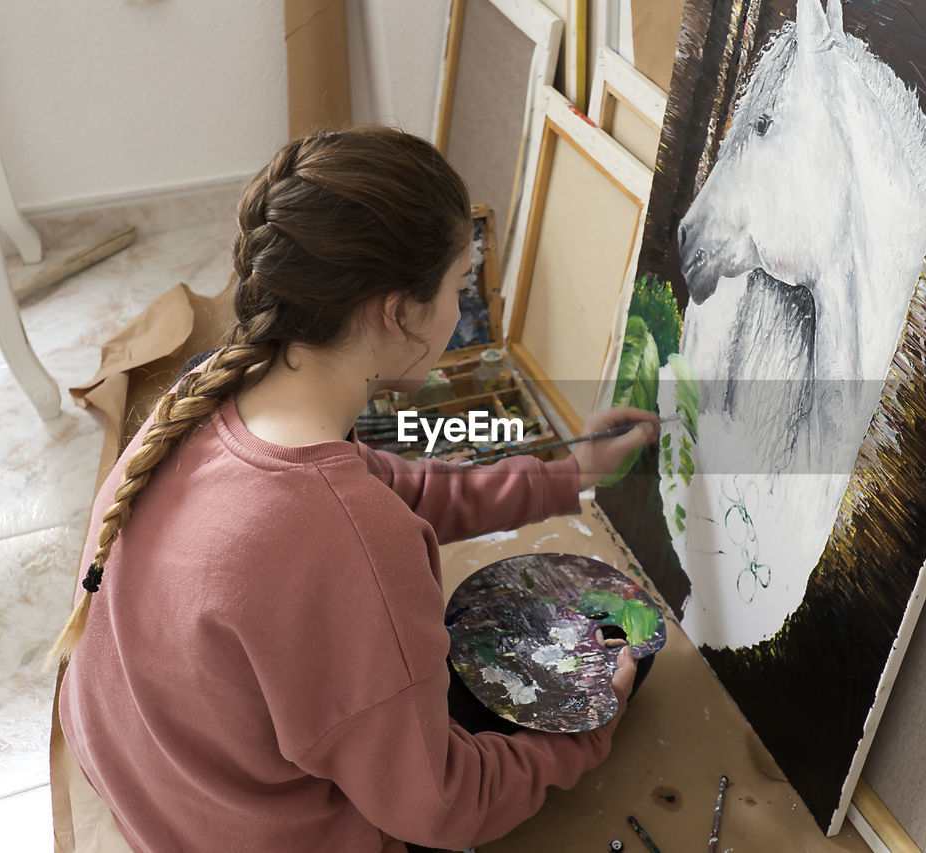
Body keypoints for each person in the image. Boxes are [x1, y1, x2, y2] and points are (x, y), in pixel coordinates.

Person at [49, 127, 658, 852]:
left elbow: (397, 488)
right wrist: (589, 727)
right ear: (397, 312)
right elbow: (442, 806)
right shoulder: (349, 539)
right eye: (457, 289)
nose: (459, 314)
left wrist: (571, 474)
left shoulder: (217, 392)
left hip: (160, 785)